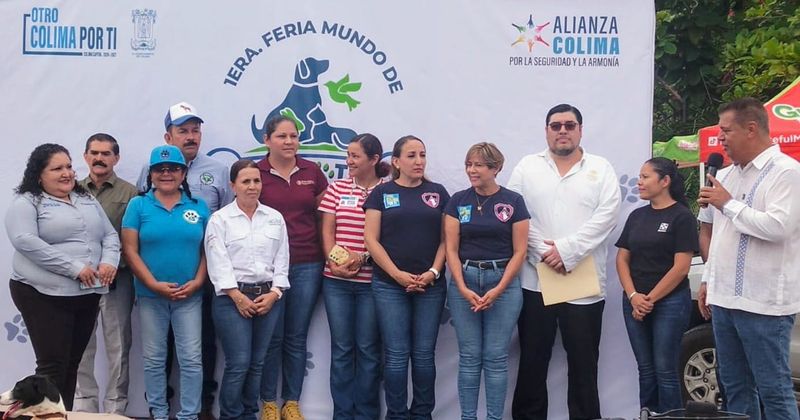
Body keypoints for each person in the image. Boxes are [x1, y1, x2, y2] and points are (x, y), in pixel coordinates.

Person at [507, 103, 621, 420]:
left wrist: (567, 251)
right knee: (532, 360)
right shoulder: (527, 167)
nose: (562, 131)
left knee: (584, 363)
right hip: (535, 280)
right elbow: (517, 215)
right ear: (546, 130)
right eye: (555, 125)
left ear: (580, 130)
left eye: (569, 125)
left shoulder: (601, 168)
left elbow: (607, 217)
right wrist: (546, 253)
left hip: (583, 282)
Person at [697, 97, 800, 420]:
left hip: (764, 303)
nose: (721, 139)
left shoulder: (787, 173)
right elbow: (717, 236)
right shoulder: (726, 176)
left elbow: (778, 227)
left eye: (726, 131)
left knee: (774, 390)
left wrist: (729, 204)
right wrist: (707, 279)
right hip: (725, 299)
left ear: (752, 129)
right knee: (734, 387)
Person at [5, 143, 120, 410]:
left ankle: (61, 415)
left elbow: (110, 235)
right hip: (41, 294)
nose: (67, 173)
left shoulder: (86, 198)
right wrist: (75, 267)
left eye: (68, 166)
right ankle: (42, 415)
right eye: (57, 168)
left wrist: (108, 262)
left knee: (71, 364)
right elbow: (25, 241)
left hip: (86, 294)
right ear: (39, 175)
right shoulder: (27, 202)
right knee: (52, 366)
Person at [137, 102, 233, 419]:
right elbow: (140, 223)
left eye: (195, 130)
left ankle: (201, 406)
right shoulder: (148, 171)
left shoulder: (218, 170)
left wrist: (202, 277)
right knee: (157, 352)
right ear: (169, 136)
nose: (191, 137)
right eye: (183, 131)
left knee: (202, 346)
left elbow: (227, 223)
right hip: (155, 284)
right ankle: (159, 408)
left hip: (202, 277)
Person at [363, 135, 449, 420]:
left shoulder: (438, 193)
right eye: (411, 155)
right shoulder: (380, 194)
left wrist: (433, 272)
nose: (419, 161)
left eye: (422, 154)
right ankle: (397, 415)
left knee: (424, 355)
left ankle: (422, 414)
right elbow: (371, 241)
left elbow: (447, 240)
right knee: (397, 356)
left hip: (431, 286)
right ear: (397, 162)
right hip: (389, 286)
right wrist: (397, 274)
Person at [123, 145, 210, 420]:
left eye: (173, 168)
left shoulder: (199, 206)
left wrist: (198, 281)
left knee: (192, 360)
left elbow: (209, 250)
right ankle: (159, 413)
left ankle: (189, 415)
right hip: (150, 295)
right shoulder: (138, 205)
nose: (167, 174)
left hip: (190, 296)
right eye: (160, 169)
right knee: (153, 359)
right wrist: (152, 284)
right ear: (151, 174)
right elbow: (130, 250)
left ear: (184, 173)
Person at [444, 142, 529, 420]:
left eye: (479, 165)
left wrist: (499, 289)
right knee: (469, 357)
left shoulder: (514, 201)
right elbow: (451, 249)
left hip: (502, 283)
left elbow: (520, 252)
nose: (472, 170)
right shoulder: (458, 200)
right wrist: (462, 286)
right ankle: (467, 417)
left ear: (496, 168)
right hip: (464, 280)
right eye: (469, 164)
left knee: (495, 358)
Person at [205, 159, 290, 420]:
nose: (252, 186)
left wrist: (275, 293)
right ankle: (231, 415)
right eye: (245, 181)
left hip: (268, 298)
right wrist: (237, 296)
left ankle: (249, 414)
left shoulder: (274, 218)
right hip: (231, 299)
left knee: (258, 362)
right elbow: (217, 261)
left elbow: (282, 259)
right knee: (239, 362)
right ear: (233, 186)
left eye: (256, 181)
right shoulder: (220, 220)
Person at [257, 116, 329, 420]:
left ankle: (291, 402)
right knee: (271, 337)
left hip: (307, 263)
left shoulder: (312, 172)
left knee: (296, 337)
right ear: (267, 139)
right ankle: (268, 404)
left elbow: (327, 217)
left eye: (294, 136)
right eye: (282, 136)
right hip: (268, 268)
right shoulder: (256, 173)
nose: (289, 142)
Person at [615, 157, 698, 412]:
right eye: (638, 177)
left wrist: (649, 299)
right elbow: (622, 258)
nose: (639, 182)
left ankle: (671, 416)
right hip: (634, 301)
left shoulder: (682, 217)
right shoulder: (637, 216)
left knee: (665, 369)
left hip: (669, 303)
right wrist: (633, 296)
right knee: (646, 369)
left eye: (645, 177)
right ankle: (647, 414)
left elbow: (681, 267)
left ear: (665, 181)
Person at [317, 134, 389, 420]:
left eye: (355, 156)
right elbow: (327, 233)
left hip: (373, 282)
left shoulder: (387, 191)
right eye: (347, 155)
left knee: (369, 351)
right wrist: (335, 263)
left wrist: (363, 259)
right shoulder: (336, 189)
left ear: (373, 160)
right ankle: (343, 414)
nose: (349, 161)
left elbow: (389, 239)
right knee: (342, 349)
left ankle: (367, 415)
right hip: (336, 282)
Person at [74, 133, 139, 415]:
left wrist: (113, 264)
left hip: (118, 281)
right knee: (80, 346)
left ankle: (115, 408)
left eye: (106, 153)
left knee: (119, 346)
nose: (100, 158)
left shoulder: (131, 194)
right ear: (86, 156)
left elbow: (133, 240)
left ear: (116, 158)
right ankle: (84, 406)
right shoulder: (70, 190)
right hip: (79, 281)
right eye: (95, 153)